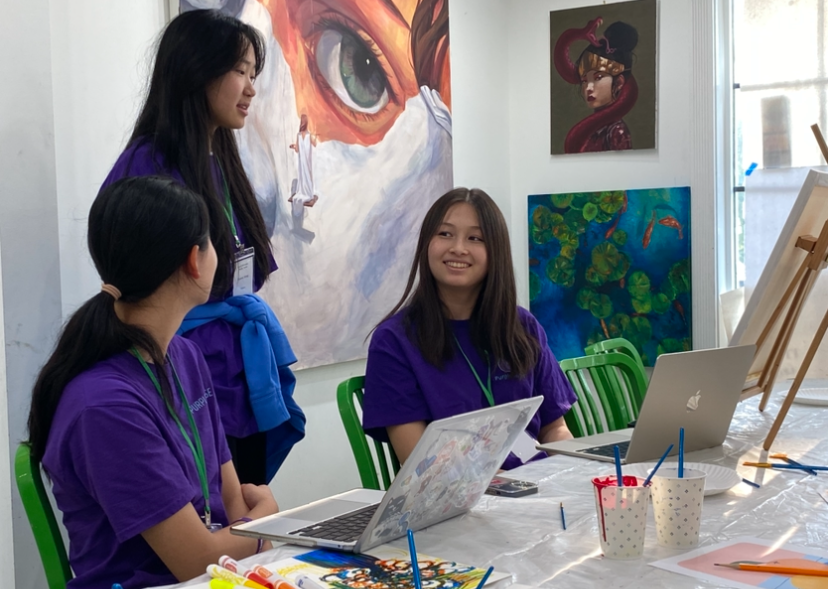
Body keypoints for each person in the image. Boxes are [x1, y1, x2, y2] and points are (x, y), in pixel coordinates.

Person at [26, 177, 279, 589]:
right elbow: (197, 561)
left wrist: (252, 529)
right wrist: (266, 516)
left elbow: (232, 500)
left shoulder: (185, 357)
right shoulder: (105, 406)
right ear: (194, 261)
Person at [101, 9, 304, 485]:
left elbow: (246, 271)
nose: (252, 88)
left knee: (245, 516)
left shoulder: (221, 160)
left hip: (235, 369)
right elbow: (134, 282)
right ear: (195, 70)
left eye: (254, 74)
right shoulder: (147, 165)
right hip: (182, 371)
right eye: (240, 71)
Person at [361, 188, 576, 469]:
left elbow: (555, 428)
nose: (458, 248)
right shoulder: (394, 341)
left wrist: (570, 478)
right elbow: (421, 465)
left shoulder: (523, 327)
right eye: (445, 234)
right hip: (456, 501)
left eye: (475, 238)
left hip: (536, 492)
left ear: (495, 251)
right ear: (427, 243)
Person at [554, 19, 640, 153]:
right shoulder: (595, 132)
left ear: (618, 83)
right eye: (584, 80)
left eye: (598, 78)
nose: (588, 87)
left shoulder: (616, 132)